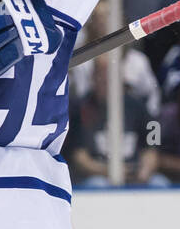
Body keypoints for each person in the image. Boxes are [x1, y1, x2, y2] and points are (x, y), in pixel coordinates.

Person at [66, 53, 165, 187]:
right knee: (97, 185)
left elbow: (152, 145)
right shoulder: (80, 109)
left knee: (159, 183)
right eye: (102, 74)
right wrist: (110, 172)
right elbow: (79, 157)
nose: (106, 80)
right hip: (98, 176)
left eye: (111, 75)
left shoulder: (139, 107)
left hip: (133, 174)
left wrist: (144, 170)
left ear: (121, 76)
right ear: (93, 77)